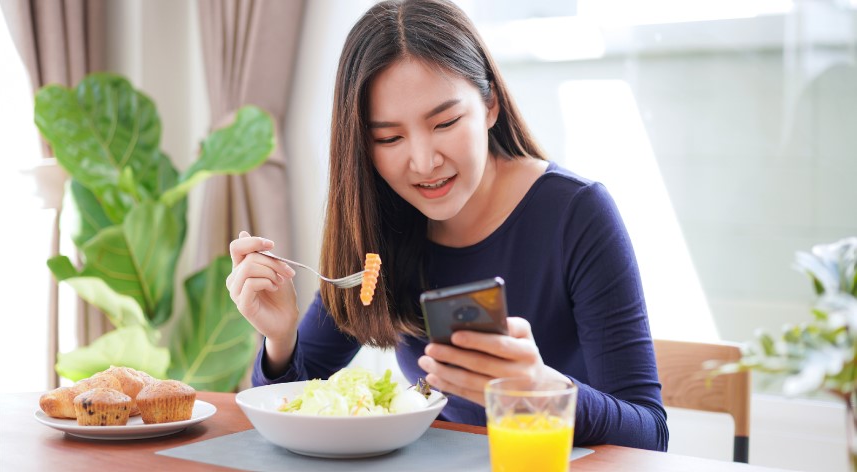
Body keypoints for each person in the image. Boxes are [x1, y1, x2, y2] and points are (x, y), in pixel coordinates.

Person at [226, 0, 668, 451]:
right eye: (389, 138)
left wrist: (541, 390)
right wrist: (280, 338)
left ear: (490, 104)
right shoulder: (380, 227)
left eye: (446, 122)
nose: (423, 162)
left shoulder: (576, 213)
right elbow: (289, 403)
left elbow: (650, 435)